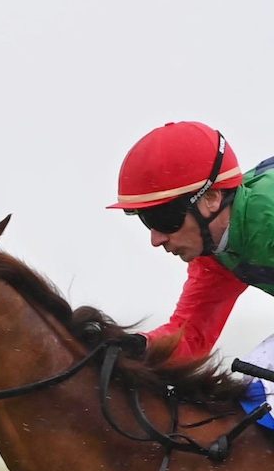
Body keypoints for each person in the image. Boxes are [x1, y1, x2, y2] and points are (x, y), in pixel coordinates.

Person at [109, 121, 274, 370]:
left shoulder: (267, 216)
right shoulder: (216, 252)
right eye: (146, 221)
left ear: (211, 198)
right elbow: (191, 337)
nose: (156, 240)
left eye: (163, 218)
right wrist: (139, 346)